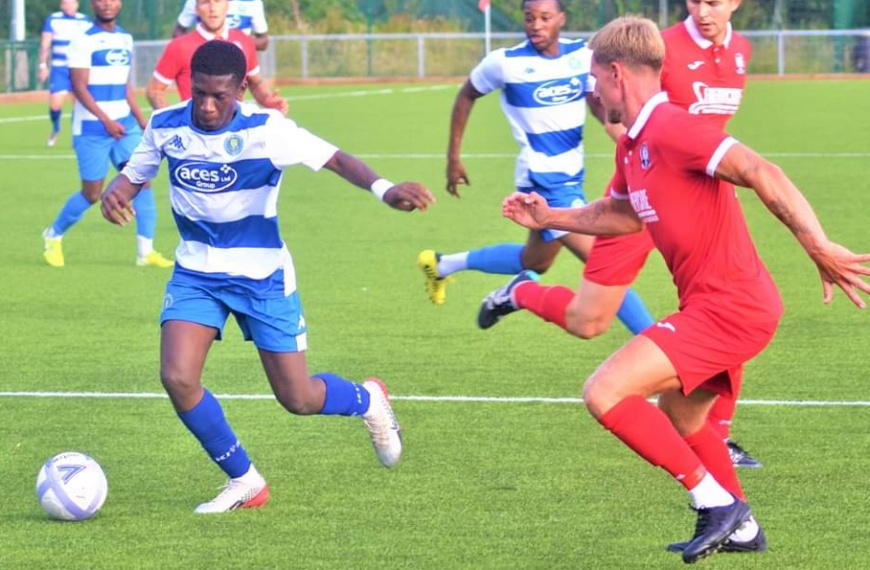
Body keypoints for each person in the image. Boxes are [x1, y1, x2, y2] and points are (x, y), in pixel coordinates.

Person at [482, 16, 870, 563]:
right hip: (719, 307)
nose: (592, 91)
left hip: (731, 310)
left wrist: (818, 245)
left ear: (617, 73)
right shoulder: (633, 144)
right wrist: (552, 214)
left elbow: (760, 169)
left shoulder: (672, 128)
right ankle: (742, 526)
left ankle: (716, 503)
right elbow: (620, 215)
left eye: (594, 78)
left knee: (605, 391)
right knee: (684, 417)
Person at [100, 41, 436, 513]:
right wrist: (116, 193)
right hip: (196, 273)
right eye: (199, 93)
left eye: (220, 95)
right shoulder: (165, 125)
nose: (208, 106)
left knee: (297, 398)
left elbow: (336, 159)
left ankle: (369, 400)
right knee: (177, 376)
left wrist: (384, 190)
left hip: (262, 277)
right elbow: (133, 176)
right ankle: (245, 481)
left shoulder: (267, 129)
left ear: (241, 88)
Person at [479, 0, 761, 471]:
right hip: (640, 196)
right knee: (588, 322)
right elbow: (609, 101)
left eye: (713, 1)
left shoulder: (741, 51)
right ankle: (522, 291)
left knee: (728, 302)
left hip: (699, 201)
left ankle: (719, 440)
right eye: (694, 0)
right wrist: (641, 152)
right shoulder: (658, 46)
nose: (701, 8)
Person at [417, 0, 655, 338]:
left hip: (572, 176)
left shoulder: (581, 57)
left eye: (545, 18)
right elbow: (466, 95)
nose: (536, 25)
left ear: (561, 19)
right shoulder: (505, 63)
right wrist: (453, 158)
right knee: (605, 264)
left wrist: (631, 142)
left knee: (536, 261)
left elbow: (601, 109)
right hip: (543, 181)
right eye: (529, 18)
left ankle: (441, 265)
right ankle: (654, 339)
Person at [42, 0, 172, 269]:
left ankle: (145, 252)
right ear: (93, 4)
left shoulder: (126, 37)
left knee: (143, 180)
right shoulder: (82, 40)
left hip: (125, 127)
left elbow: (124, 84)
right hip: (91, 128)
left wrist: (141, 119)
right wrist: (105, 120)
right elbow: (78, 87)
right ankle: (53, 235)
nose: (107, 4)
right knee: (91, 194)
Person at [146, 0, 286, 114]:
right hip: (196, 136)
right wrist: (173, 120)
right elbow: (154, 90)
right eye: (205, 2)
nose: (212, 8)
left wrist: (268, 100)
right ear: (196, 8)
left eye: (218, 1)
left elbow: (255, 83)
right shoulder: (179, 46)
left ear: (227, 5)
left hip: (236, 136)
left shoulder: (245, 41)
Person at [38, 0, 92, 147]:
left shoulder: (85, 20)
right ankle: (56, 127)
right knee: (55, 105)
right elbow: (45, 44)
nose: (69, 6)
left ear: (77, 5)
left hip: (78, 68)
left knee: (79, 104)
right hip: (59, 69)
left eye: (71, 3)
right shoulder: (53, 19)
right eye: (65, 3)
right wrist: (43, 65)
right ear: (62, 6)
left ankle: (76, 136)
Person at [173, 0, 268, 51]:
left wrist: (237, 44)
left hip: (237, 63)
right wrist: (195, 47)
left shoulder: (253, 3)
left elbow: (263, 42)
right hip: (204, 62)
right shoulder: (196, 1)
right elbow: (178, 31)